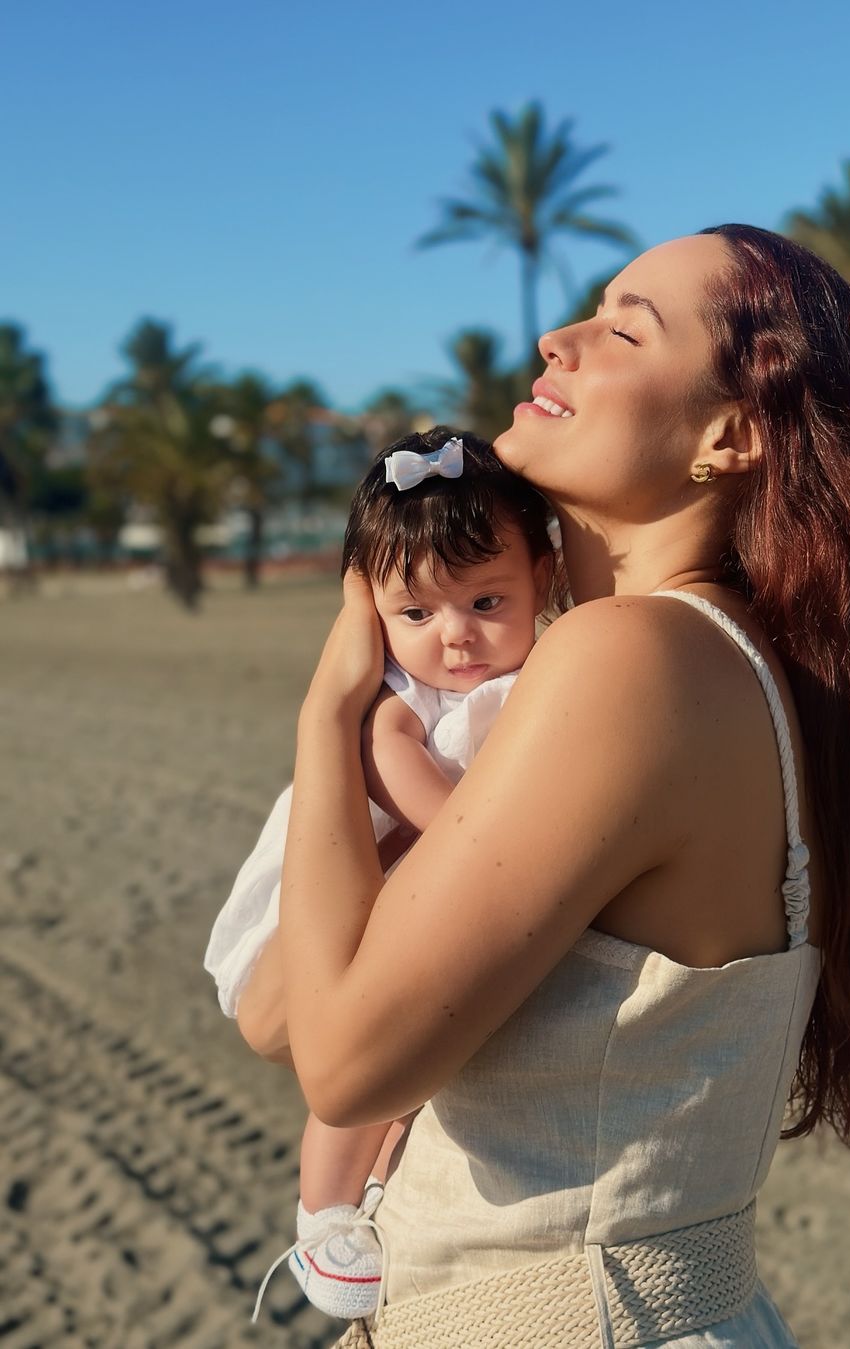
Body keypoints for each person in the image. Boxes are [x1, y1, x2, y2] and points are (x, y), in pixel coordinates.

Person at [241, 226, 850, 1348]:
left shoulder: (632, 661)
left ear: (729, 436)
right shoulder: (721, 664)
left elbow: (340, 1058)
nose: (559, 337)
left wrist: (329, 712)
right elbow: (277, 1008)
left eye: (627, 327)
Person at [204, 429, 555, 1321]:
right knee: (353, 1070)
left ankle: (367, 1202)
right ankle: (320, 1214)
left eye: (487, 599)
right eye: (418, 615)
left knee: (410, 1072)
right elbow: (391, 763)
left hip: (428, 896)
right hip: (364, 879)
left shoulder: (546, 672)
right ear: (374, 615)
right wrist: (465, 837)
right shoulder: (404, 702)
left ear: (542, 581)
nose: (458, 637)